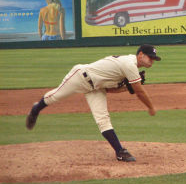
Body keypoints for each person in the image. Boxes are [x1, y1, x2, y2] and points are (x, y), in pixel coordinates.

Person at [26, 44, 161, 162]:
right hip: (80, 76)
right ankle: (35, 109)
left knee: (103, 119)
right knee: (55, 97)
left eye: (154, 59)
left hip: (96, 88)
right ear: (141, 54)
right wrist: (151, 107)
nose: (152, 61)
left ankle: (120, 152)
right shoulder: (129, 64)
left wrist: (125, 88)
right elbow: (140, 92)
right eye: (150, 57)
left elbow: (109, 89)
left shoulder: (130, 68)